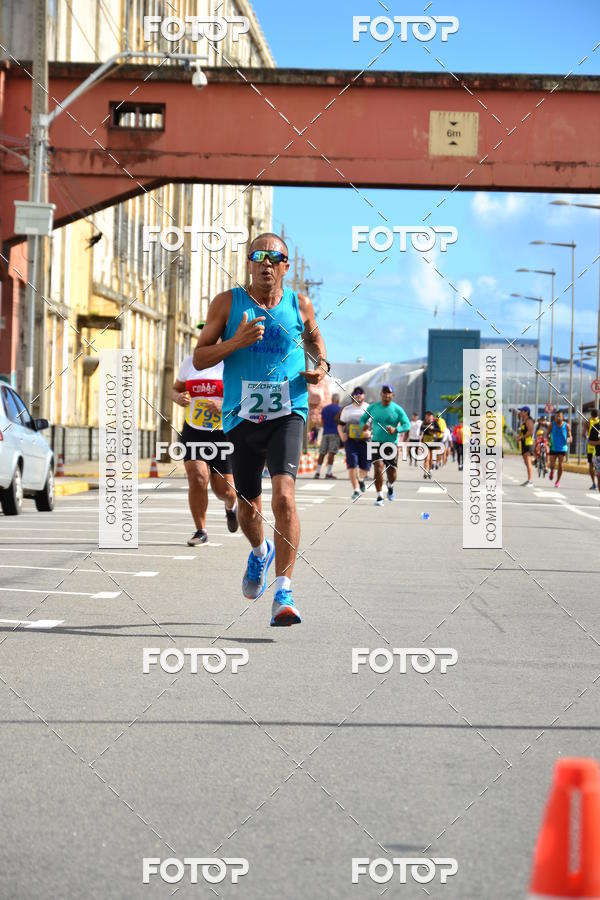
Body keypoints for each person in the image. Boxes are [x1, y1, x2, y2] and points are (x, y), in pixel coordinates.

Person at [193, 233, 328, 627]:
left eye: (275, 257)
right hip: (240, 417)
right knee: (248, 505)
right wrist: (235, 342)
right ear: (249, 263)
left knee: (284, 497)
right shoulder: (227, 303)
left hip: (288, 411)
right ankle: (259, 552)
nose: (266, 263)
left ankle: (284, 590)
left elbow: (317, 342)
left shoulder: (298, 304)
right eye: (258, 256)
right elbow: (200, 357)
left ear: (286, 266)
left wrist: (319, 365)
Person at [172, 328, 238, 545]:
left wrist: (224, 404)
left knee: (225, 490)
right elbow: (175, 389)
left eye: (213, 335)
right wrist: (178, 397)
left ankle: (231, 506)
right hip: (194, 430)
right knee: (198, 477)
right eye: (204, 334)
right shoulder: (190, 362)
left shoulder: (232, 363)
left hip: (223, 433)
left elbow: (244, 397)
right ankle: (201, 530)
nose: (206, 338)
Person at [359, 384, 410, 505]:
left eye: (389, 393)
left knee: (391, 472)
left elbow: (407, 425)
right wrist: (363, 426)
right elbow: (362, 419)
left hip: (391, 444)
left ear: (393, 395)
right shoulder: (373, 408)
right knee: (378, 467)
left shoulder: (397, 409)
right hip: (376, 442)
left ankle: (390, 485)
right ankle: (380, 496)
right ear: (381, 394)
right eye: (384, 392)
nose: (386, 395)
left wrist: (396, 430)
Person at [338, 386, 371, 500]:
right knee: (352, 465)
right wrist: (342, 435)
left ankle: (361, 480)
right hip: (351, 441)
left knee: (365, 467)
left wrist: (370, 433)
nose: (358, 395)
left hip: (366, 442)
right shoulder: (347, 409)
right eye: (356, 393)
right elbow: (340, 425)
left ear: (364, 395)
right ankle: (356, 490)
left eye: (360, 393)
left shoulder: (369, 408)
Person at [315, 393, 341, 479]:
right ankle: (328, 473)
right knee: (331, 453)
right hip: (335, 433)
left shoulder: (325, 409)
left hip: (325, 433)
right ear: (337, 400)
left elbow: (322, 422)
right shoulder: (339, 409)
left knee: (322, 453)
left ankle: (317, 472)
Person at [547, 410, 572, 488]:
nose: (557, 418)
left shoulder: (566, 425)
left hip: (562, 448)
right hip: (553, 447)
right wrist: (547, 439)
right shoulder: (552, 425)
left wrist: (570, 439)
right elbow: (547, 434)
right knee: (552, 464)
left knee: (561, 465)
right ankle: (552, 471)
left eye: (559, 416)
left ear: (562, 417)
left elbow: (569, 435)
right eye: (556, 416)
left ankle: (557, 481)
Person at [421, 411, 443, 479]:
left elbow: (439, 430)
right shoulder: (424, 422)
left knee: (431, 459)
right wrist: (428, 427)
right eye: (427, 416)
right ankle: (425, 472)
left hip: (433, 442)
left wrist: (433, 428)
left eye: (430, 416)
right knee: (426, 458)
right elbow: (421, 429)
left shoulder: (435, 422)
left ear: (432, 417)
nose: (428, 417)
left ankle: (430, 470)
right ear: (426, 417)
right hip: (425, 442)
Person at [517, 406, 535, 486]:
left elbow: (530, 432)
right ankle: (529, 479)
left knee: (528, 461)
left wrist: (522, 437)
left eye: (521, 411)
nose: (520, 412)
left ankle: (530, 480)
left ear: (526, 412)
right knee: (526, 462)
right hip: (524, 443)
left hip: (528, 443)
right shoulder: (524, 421)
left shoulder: (528, 421)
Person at [586, 408, 600, 490]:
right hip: (596, 451)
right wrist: (598, 443)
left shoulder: (588, 422)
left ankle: (594, 483)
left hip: (591, 448)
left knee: (591, 465)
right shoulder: (595, 425)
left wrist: (587, 439)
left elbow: (584, 435)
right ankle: (596, 483)